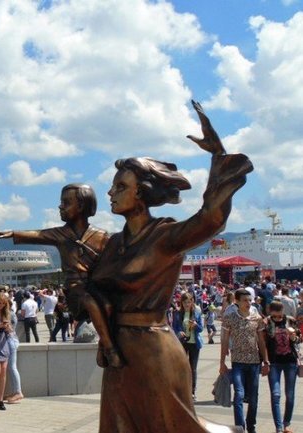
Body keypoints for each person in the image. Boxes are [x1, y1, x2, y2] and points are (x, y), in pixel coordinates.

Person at [89, 101, 253, 433]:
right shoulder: (113, 245)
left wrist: (218, 155)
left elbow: (211, 219)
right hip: (117, 352)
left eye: (120, 187)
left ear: (141, 193)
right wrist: (104, 336)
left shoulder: (164, 236)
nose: (110, 192)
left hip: (154, 351)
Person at [0, 183, 115, 365]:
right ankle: (108, 346)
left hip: (95, 286)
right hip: (76, 289)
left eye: (66, 202)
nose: (60, 207)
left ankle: (106, 341)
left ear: (81, 206)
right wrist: (13, 233)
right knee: (90, 301)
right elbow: (38, 234)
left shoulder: (102, 236)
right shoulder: (61, 234)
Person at [220, 288, 269, 433]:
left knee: (253, 398)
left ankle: (251, 426)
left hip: (254, 363)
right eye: (245, 300)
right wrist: (222, 362)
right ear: (237, 301)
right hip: (238, 362)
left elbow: (261, 341)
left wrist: (266, 361)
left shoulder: (257, 318)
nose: (248, 303)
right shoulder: (230, 318)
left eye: (250, 300)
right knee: (239, 395)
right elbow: (224, 341)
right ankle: (240, 427)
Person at [264, 300, 300, 433]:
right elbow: (263, 342)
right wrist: (265, 361)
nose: (278, 318)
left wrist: (294, 337)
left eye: (280, 315)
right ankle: (279, 428)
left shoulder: (290, 321)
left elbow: (299, 339)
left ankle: (286, 424)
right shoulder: (267, 322)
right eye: (275, 316)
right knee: (275, 395)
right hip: (274, 362)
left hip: (290, 361)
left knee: (290, 395)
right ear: (271, 312)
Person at [172, 292, 204, 400]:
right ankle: (182, 390)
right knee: (182, 367)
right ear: (181, 303)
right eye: (185, 302)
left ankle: (192, 391)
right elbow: (174, 326)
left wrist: (196, 325)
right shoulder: (177, 313)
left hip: (194, 343)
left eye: (189, 302)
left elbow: (201, 329)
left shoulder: (197, 313)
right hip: (183, 343)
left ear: (192, 302)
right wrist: (179, 331)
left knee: (192, 368)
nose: (187, 304)